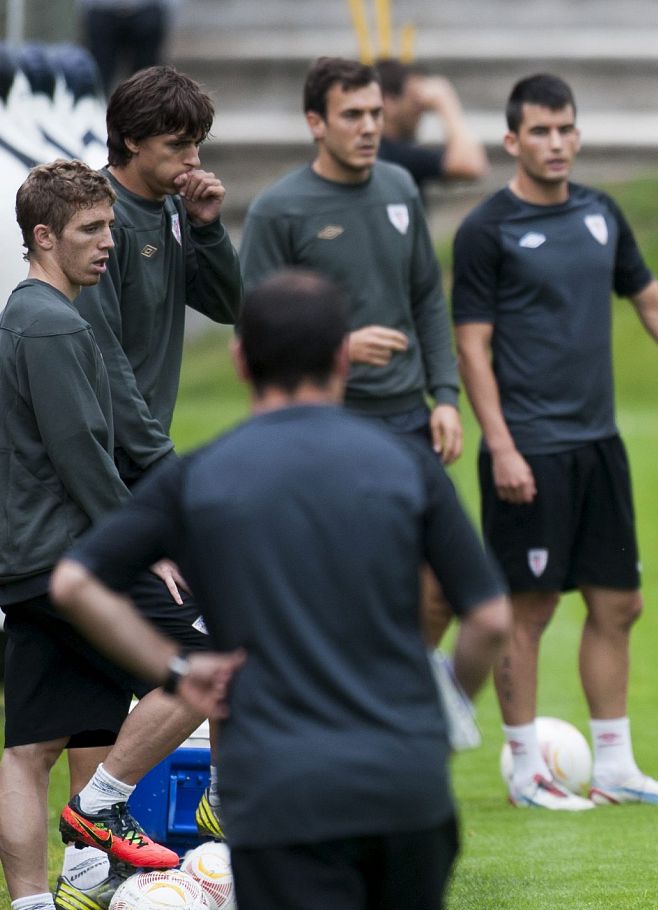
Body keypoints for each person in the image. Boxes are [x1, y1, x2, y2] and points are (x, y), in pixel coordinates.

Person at [50, 270, 512, 910]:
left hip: (279, 776)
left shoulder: (201, 475)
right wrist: (446, 705)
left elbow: (73, 582)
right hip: (400, 768)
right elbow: (490, 617)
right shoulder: (405, 464)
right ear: (343, 357)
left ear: (240, 361)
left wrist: (178, 669)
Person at [453, 73, 658, 810]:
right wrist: (503, 444)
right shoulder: (487, 230)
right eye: (541, 132)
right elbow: (472, 347)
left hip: (597, 443)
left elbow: (650, 299)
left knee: (620, 602)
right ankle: (525, 768)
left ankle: (614, 763)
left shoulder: (599, 212)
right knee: (531, 609)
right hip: (529, 449)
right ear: (512, 141)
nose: (557, 143)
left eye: (566, 129)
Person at [55, 64, 241, 910]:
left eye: (197, 142)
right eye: (176, 146)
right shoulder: (97, 223)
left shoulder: (171, 207)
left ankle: (92, 875)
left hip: (143, 478)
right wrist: (166, 494)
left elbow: (232, 304)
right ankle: (102, 818)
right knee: (213, 647)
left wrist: (205, 223)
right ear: (130, 141)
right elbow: (112, 379)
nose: (190, 157)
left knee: (217, 641)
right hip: (113, 484)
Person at [240, 56, 469, 735]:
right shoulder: (280, 209)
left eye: (375, 114)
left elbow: (426, 294)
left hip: (407, 417)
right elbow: (258, 334)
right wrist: (340, 346)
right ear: (316, 123)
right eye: (352, 116)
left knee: (445, 583)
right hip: (323, 426)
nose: (369, 128)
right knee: (331, 587)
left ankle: (399, 696)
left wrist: (446, 394)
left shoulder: (399, 185)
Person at [0, 159, 128, 910]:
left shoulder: (25, 314)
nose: (107, 242)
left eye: (109, 227)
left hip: (29, 561)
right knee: (203, 658)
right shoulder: (54, 323)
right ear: (44, 237)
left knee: (36, 742)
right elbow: (83, 456)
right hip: (69, 563)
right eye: (90, 230)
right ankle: (108, 833)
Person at [375, 58, 489, 193]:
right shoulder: (390, 154)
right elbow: (472, 165)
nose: (422, 110)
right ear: (388, 103)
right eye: (415, 101)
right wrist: (446, 102)